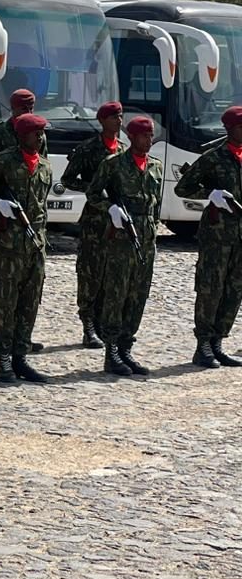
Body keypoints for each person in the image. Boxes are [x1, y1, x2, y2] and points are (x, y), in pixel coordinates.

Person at [0, 113, 53, 383]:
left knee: (30, 302)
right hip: (7, 247)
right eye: (34, 134)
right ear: (20, 136)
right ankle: (4, 360)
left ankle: (21, 357)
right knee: (5, 302)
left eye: (41, 134)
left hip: (34, 245)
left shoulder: (44, 168)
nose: (39, 139)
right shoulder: (4, 161)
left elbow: (42, 208)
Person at [87, 116, 162, 376]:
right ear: (131, 137)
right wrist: (111, 209)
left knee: (137, 296)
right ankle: (111, 353)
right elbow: (93, 194)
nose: (149, 140)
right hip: (121, 241)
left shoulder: (156, 167)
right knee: (116, 295)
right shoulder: (114, 164)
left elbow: (156, 205)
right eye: (144, 135)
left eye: (151, 135)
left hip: (146, 241)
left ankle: (126, 348)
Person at [174, 105, 242, 368]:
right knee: (210, 289)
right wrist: (211, 194)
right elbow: (184, 187)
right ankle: (202, 345)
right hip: (217, 236)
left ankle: (218, 342)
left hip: (240, 237)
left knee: (234, 290)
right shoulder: (213, 158)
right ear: (229, 129)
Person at [62, 101, 126, 348]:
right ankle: (88, 325)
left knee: (110, 273)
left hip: (116, 220)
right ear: (102, 121)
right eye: (113, 117)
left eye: (120, 117)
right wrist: (93, 189)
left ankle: (102, 322)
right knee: (90, 272)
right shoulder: (88, 149)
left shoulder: (122, 150)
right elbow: (68, 179)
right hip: (94, 220)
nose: (119, 122)